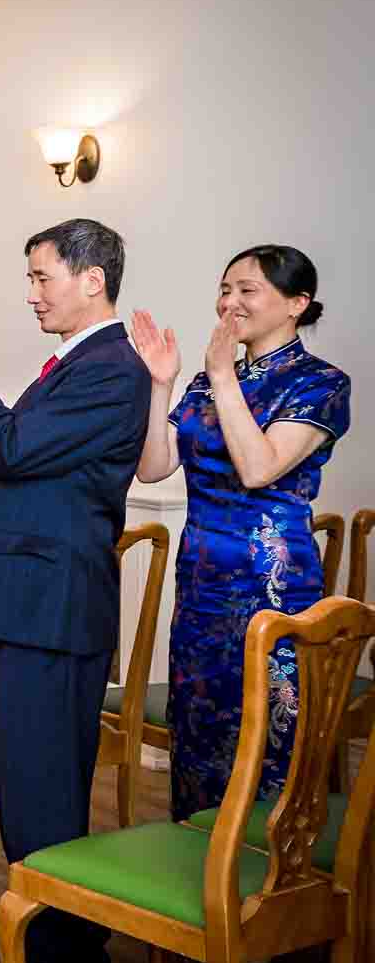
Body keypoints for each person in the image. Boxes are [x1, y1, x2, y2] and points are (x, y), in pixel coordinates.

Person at [0, 218, 148, 963]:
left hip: (52, 605)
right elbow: (5, 456)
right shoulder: (80, 363)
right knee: (24, 779)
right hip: (29, 601)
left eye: (41, 277)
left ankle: (70, 956)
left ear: (93, 279)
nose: (31, 294)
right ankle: (47, 922)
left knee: (44, 784)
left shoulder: (110, 368)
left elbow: (14, 448)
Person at [129, 245, 350, 821]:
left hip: (271, 586)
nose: (230, 302)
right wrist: (162, 384)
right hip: (202, 582)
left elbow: (259, 468)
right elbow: (153, 466)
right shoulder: (206, 381)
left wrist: (224, 376)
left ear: (297, 304)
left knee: (270, 729)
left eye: (247, 291)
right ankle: (202, 863)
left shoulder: (320, 382)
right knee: (199, 726)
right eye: (225, 289)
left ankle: (272, 879)